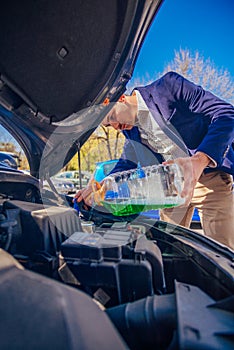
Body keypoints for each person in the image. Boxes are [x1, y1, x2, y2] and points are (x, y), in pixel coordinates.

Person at [75, 71, 234, 250]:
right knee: (170, 250)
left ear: (118, 98)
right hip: (170, 189)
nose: (115, 127)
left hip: (209, 182)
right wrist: (98, 186)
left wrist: (199, 160)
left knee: (222, 252)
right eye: (109, 126)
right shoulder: (131, 131)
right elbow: (126, 162)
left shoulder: (168, 86)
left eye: (111, 118)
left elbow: (226, 114)